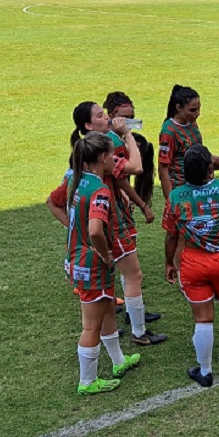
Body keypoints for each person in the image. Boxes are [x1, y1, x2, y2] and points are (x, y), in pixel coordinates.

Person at [48, 101, 167, 345]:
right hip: (113, 227)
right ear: (89, 125)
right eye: (101, 115)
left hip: (97, 235)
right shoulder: (101, 161)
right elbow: (136, 167)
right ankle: (139, 332)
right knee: (133, 275)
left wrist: (73, 228)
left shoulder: (80, 162)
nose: (107, 117)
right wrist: (127, 134)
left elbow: (54, 201)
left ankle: (116, 340)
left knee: (107, 288)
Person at [164, 145, 219, 387]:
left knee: (203, 319)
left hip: (193, 262)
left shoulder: (174, 197)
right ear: (209, 168)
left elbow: (171, 235)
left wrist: (168, 263)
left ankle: (205, 372)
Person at [59, 131, 140, 396]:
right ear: (103, 157)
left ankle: (118, 361)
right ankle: (87, 381)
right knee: (90, 325)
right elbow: (95, 230)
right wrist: (106, 255)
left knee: (106, 311)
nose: (116, 158)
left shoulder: (76, 180)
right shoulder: (100, 190)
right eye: (113, 154)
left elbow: (54, 203)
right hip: (92, 264)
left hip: (77, 258)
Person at [102, 92, 168, 345]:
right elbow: (129, 174)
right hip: (115, 216)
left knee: (125, 270)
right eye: (124, 118)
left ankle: (132, 314)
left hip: (117, 210)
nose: (129, 122)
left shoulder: (108, 140)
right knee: (133, 273)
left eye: (132, 118)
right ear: (111, 117)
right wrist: (142, 205)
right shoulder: (115, 143)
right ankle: (138, 331)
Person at [159, 85, 203, 282]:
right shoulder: (169, 131)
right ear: (178, 108)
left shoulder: (192, 124)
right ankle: (178, 272)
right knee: (177, 235)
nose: (197, 113)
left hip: (195, 188)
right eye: (192, 110)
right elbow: (163, 167)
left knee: (191, 233)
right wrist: (170, 198)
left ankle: (187, 271)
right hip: (180, 189)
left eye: (198, 109)